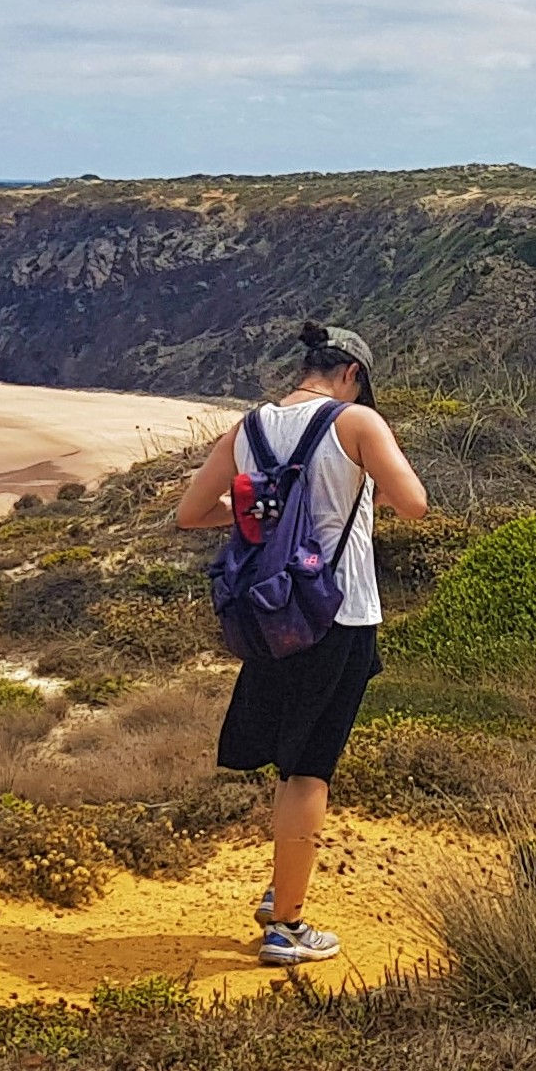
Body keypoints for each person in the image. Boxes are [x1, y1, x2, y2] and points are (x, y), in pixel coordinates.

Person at [177, 322, 431, 965]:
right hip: (335, 613)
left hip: (269, 611)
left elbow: (192, 513)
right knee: (308, 769)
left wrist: (270, 513)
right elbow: (415, 505)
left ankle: (280, 891)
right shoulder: (356, 424)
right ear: (351, 374)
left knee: (288, 757)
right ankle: (286, 927)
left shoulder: (247, 428)